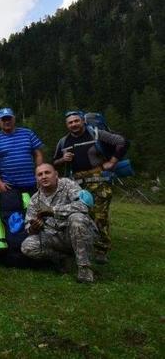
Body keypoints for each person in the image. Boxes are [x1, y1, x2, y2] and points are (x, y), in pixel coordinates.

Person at [52, 111, 128, 264]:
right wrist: (62, 159)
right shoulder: (64, 141)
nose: (73, 124)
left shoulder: (96, 134)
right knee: (81, 214)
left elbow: (122, 142)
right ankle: (84, 245)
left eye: (76, 121)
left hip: (99, 178)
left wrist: (112, 162)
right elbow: (53, 163)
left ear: (83, 121)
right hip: (77, 182)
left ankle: (101, 250)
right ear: (67, 125)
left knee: (99, 215)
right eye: (70, 122)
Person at [21, 163, 97, 283]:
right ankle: (63, 258)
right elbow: (28, 228)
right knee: (27, 246)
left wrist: (53, 211)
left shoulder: (68, 185)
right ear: (36, 179)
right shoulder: (35, 200)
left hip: (77, 233)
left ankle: (85, 268)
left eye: (47, 172)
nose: (44, 176)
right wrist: (34, 228)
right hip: (55, 238)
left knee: (77, 219)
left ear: (56, 175)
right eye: (40, 174)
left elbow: (84, 206)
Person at [0, 108, 44, 195]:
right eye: (3, 119)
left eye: (9, 119)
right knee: (13, 209)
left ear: (14, 119)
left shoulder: (28, 133)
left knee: (37, 208)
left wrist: (39, 175)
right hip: (9, 186)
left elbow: (38, 154)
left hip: (32, 184)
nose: (7, 122)